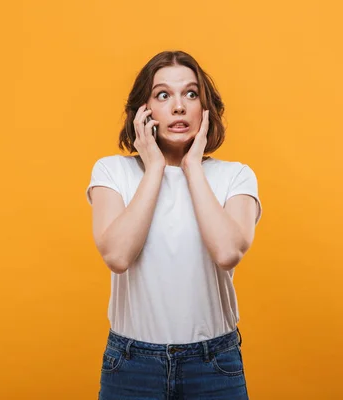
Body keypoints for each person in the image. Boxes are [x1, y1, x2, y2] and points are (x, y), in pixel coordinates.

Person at [86, 50, 262, 400]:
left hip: (213, 365)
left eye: (191, 94)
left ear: (205, 108)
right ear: (143, 111)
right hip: (132, 364)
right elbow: (118, 256)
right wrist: (154, 168)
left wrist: (192, 165)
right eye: (163, 95)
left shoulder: (235, 176)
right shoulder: (112, 172)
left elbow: (228, 252)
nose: (179, 107)